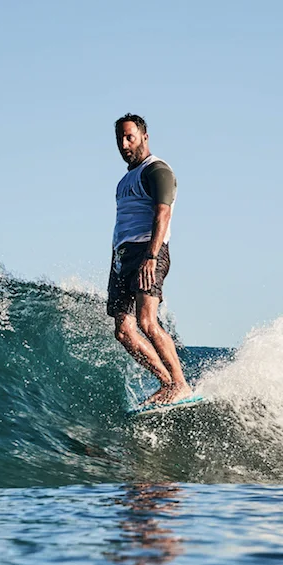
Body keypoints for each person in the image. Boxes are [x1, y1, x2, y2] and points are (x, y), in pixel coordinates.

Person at [108, 114, 192, 406]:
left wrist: (151, 257)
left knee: (146, 320)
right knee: (123, 331)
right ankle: (167, 382)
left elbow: (162, 214)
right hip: (123, 257)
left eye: (130, 137)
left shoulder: (156, 170)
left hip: (149, 252)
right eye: (120, 138)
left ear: (144, 136)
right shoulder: (123, 181)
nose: (124, 144)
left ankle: (180, 383)